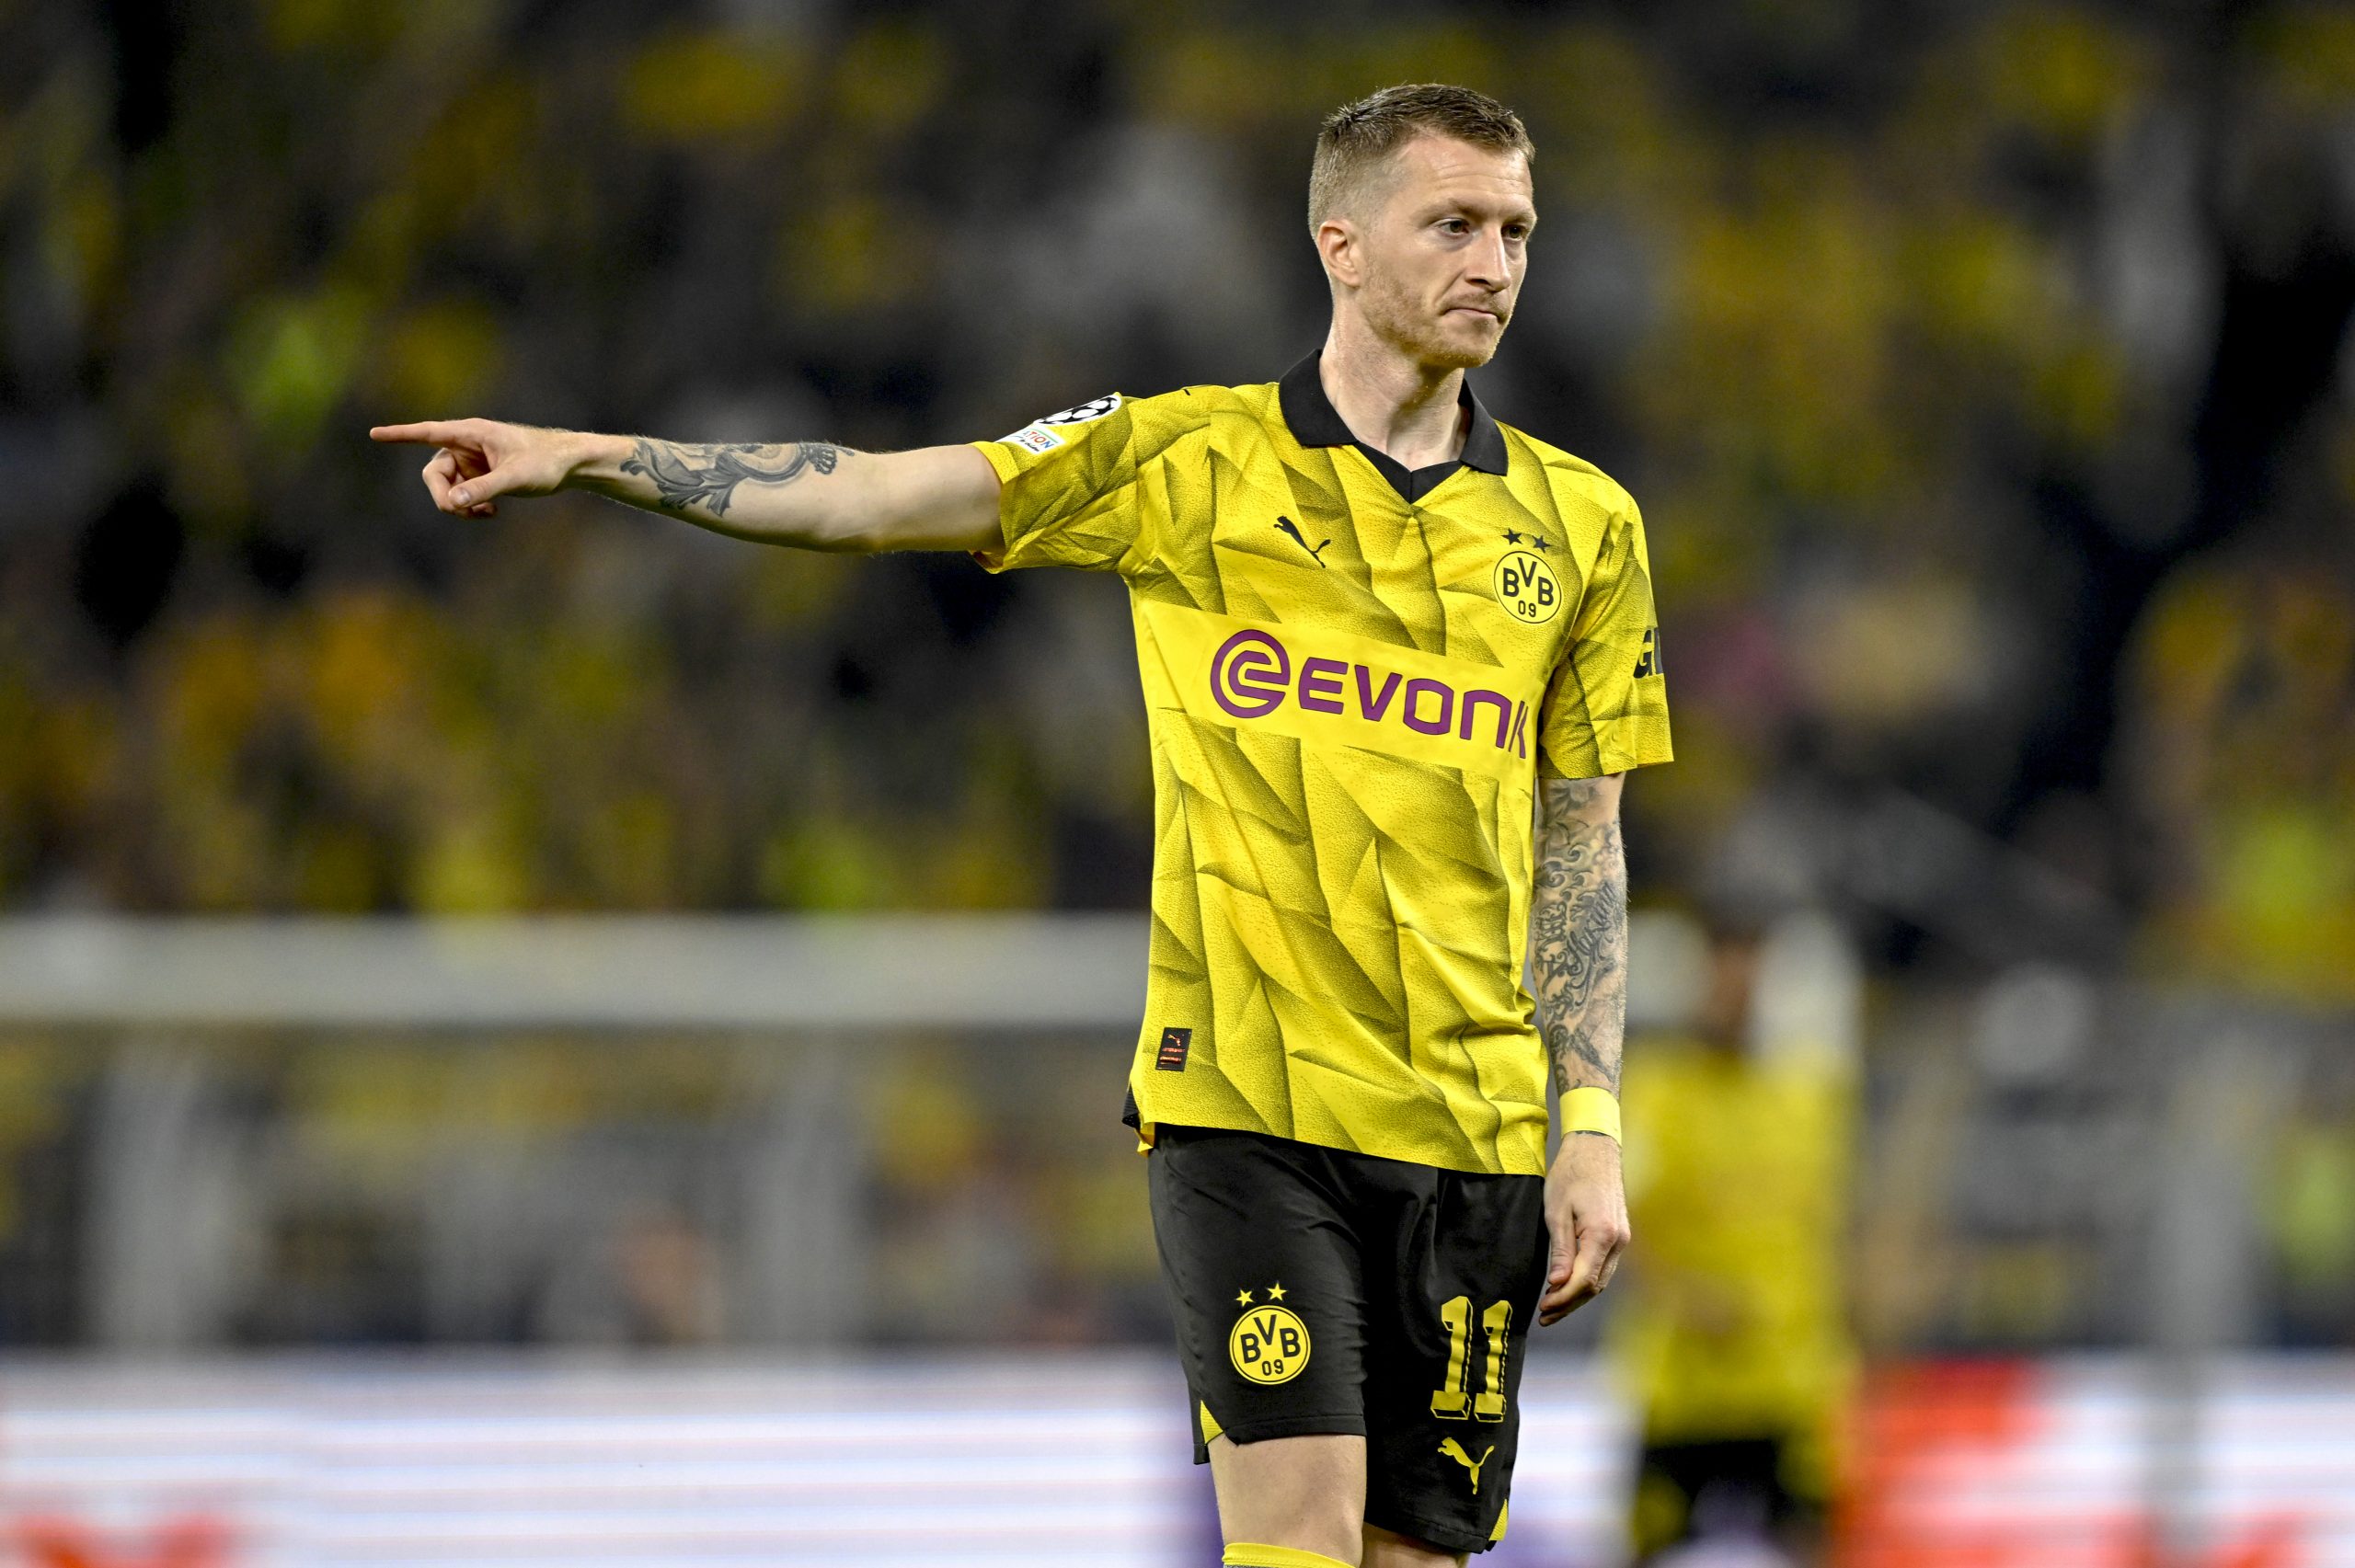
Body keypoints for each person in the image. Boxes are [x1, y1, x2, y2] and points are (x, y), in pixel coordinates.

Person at [373, 83, 1672, 1568]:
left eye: (1515, 229)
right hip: (1244, 1109)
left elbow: (1584, 847)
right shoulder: (1187, 462)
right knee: (1296, 1546)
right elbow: (870, 496)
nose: (1495, 263)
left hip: (1474, 1126)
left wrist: (1589, 1127)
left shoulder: (1587, 530)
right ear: (1344, 245)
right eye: (1454, 223)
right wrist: (593, 455)